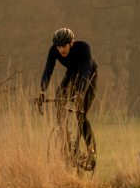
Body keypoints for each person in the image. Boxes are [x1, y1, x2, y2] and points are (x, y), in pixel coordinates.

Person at [41, 27, 98, 170]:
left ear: (71, 43)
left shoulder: (83, 48)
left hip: (89, 76)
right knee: (59, 94)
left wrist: (80, 93)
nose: (61, 50)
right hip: (72, 73)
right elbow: (48, 70)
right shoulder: (53, 50)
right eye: (58, 46)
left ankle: (91, 149)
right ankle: (64, 134)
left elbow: (85, 71)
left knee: (81, 113)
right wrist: (42, 90)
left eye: (64, 46)